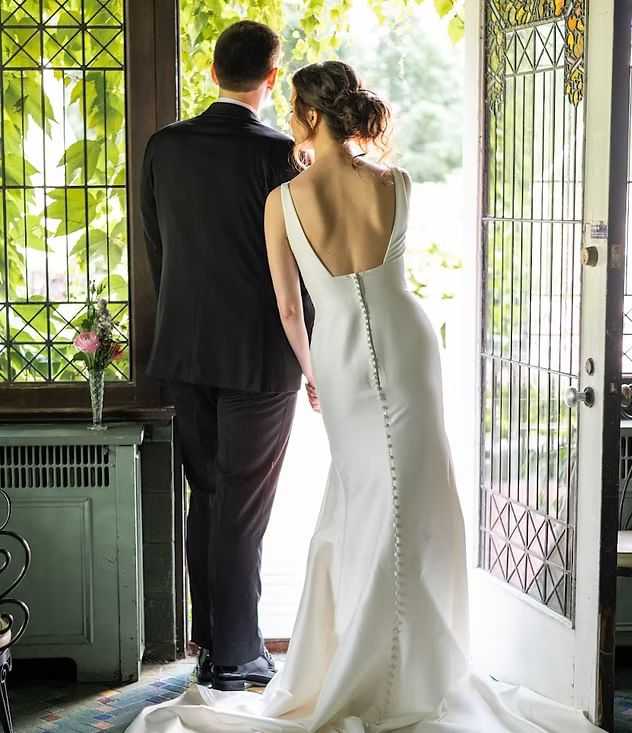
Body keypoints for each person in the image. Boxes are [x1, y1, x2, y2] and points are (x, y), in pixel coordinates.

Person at [130, 60, 603, 733]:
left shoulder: (284, 201)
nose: (290, 117)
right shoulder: (397, 183)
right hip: (410, 344)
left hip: (339, 352)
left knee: (362, 496)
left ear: (312, 117)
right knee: (414, 494)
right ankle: (418, 659)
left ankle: (366, 651)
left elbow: (290, 309)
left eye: (295, 107)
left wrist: (312, 371)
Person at [140, 20, 313, 692]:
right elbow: (301, 267)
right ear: (271, 79)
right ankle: (237, 655)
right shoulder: (282, 156)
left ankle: (212, 642)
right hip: (263, 356)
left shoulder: (163, 148)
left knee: (207, 497)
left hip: (184, 348)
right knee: (241, 504)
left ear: (212, 74)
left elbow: (158, 249)